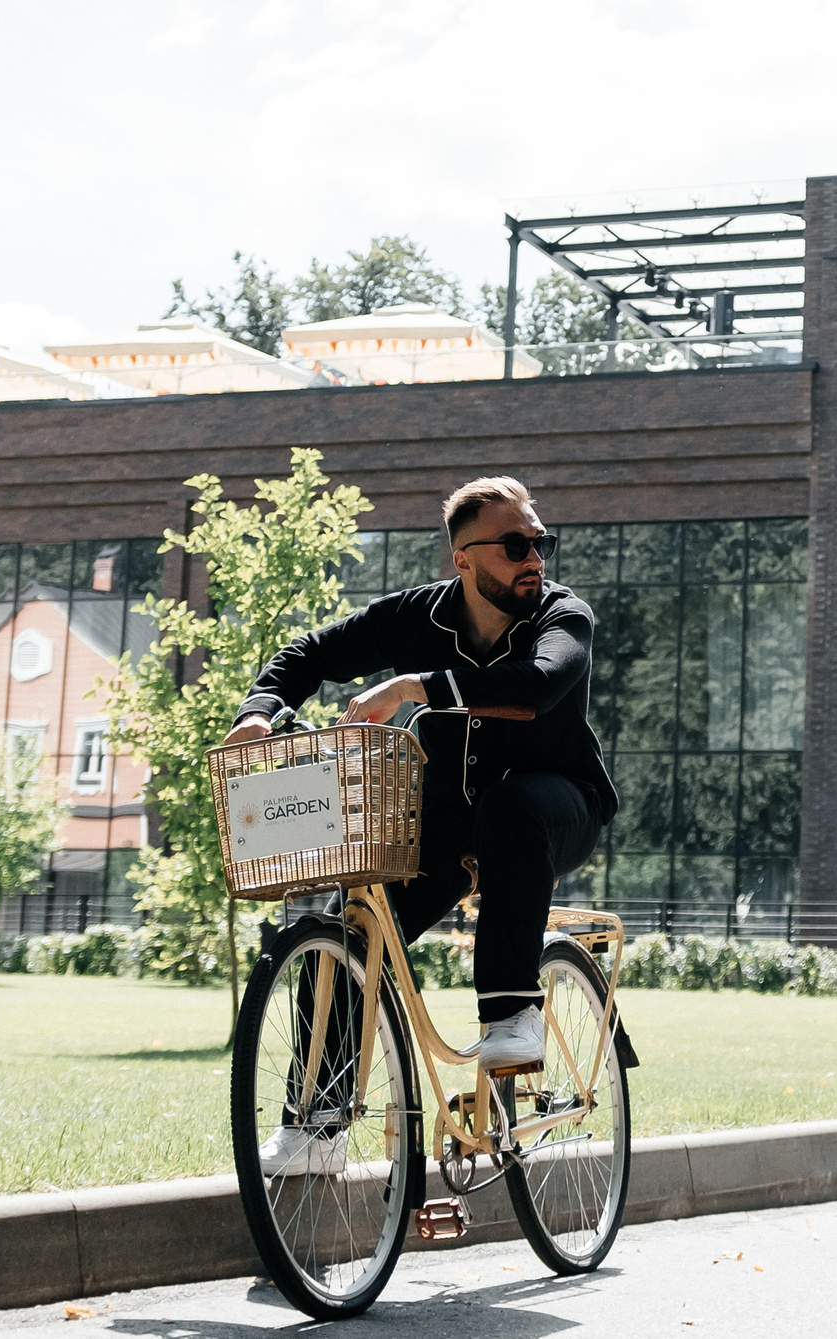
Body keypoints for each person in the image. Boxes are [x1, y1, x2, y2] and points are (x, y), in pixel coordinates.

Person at [226, 476, 616, 1173]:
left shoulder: (564, 615)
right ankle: (316, 1126)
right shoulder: (418, 617)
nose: (535, 557)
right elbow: (310, 653)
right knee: (352, 940)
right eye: (515, 544)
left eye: (540, 541)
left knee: (512, 806)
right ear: (463, 560)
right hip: (447, 821)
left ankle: (512, 1012)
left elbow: (535, 687)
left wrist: (415, 687)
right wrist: (258, 708)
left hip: (560, 805)